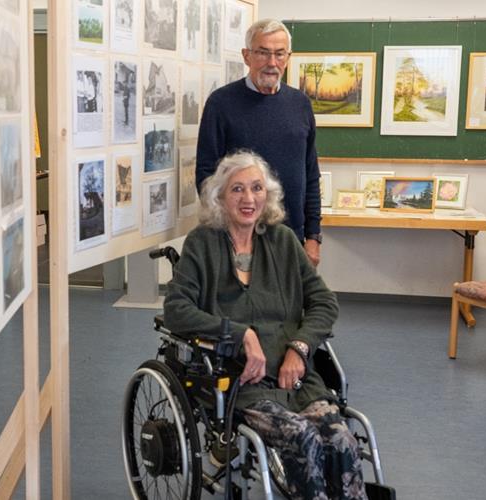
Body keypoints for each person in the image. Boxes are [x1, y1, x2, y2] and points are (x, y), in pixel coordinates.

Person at [164, 151, 366, 500]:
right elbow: (176, 309)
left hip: (297, 378)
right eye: (237, 189)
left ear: (267, 194)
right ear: (220, 198)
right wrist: (240, 333)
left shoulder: (283, 241)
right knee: (301, 436)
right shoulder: (202, 244)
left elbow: (324, 301)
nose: (248, 198)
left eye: (257, 188)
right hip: (240, 380)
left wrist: (299, 349)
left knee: (341, 439)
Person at [196, 19, 323, 266]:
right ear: (247, 56)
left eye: (279, 54)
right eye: (263, 53)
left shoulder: (300, 105)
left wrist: (313, 236)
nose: (272, 63)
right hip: (236, 240)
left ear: (288, 57)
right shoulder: (221, 104)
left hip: (291, 239)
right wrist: (228, 232)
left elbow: (310, 175)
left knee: (291, 304)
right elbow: (206, 176)